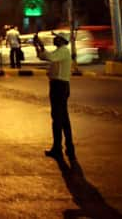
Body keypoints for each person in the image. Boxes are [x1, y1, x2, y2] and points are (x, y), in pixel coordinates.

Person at [34, 31, 75, 160]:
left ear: (62, 40)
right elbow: (43, 56)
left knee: (59, 119)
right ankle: (66, 148)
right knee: (61, 118)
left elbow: (50, 57)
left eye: (56, 38)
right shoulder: (60, 52)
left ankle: (60, 148)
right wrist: (38, 45)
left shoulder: (63, 51)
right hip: (58, 86)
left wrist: (41, 45)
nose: (54, 40)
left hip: (60, 87)